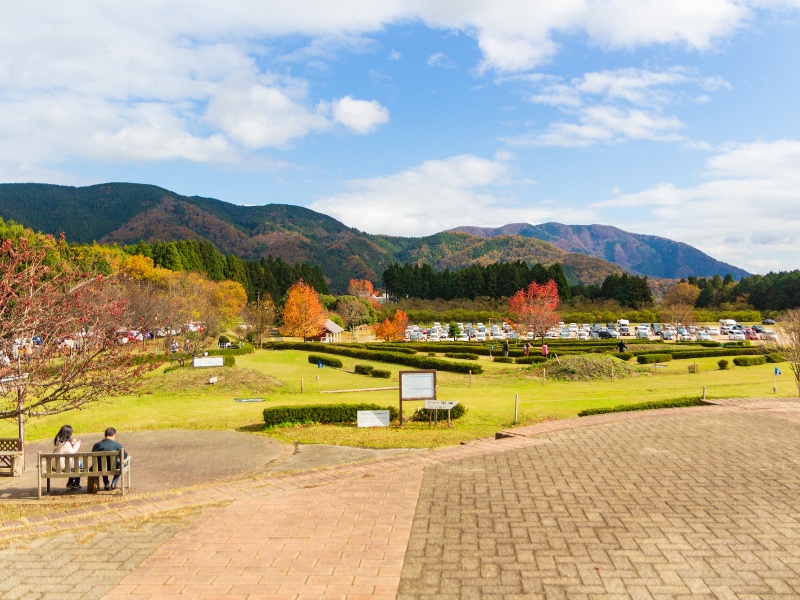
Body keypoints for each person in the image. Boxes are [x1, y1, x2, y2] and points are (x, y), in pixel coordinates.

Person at [53, 425, 81, 489]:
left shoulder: (57, 441)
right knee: (80, 464)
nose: (71, 434)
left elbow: (65, 449)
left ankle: (70, 482)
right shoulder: (66, 444)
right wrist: (77, 444)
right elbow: (72, 453)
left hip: (54, 464)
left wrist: (72, 444)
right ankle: (76, 483)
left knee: (73, 464)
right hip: (61, 466)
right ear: (68, 434)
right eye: (71, 433)